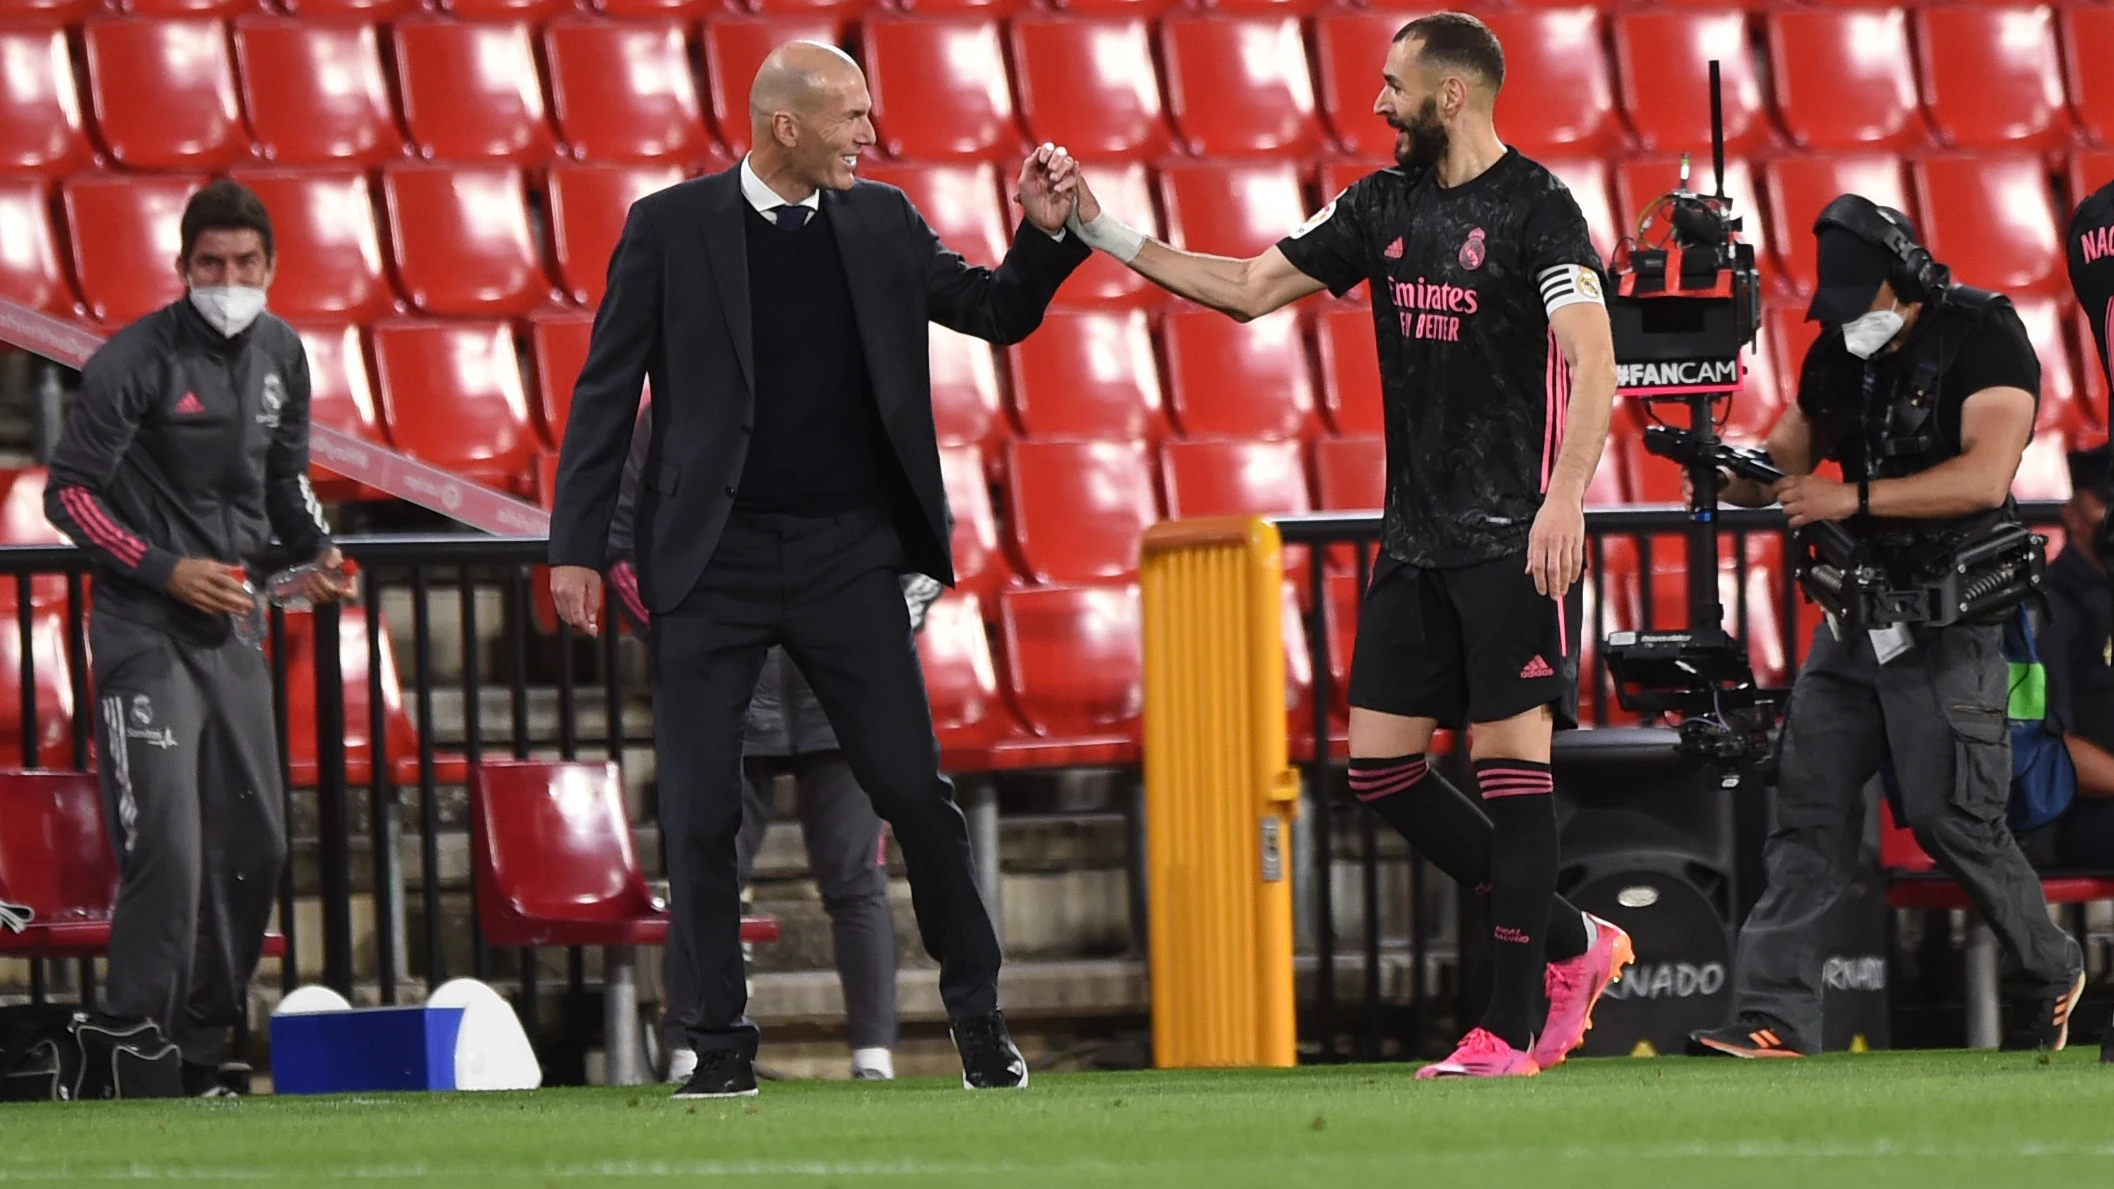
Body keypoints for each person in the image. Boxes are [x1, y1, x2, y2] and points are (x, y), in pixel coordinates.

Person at [1053, 12, 1633, 1078]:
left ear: (1449, 94)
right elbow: (1241, 289)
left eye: (1392, 84)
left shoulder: (1539, 209)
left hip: (1513, 537)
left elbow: (1590, 359)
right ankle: (1572, 941)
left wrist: (1564, 500)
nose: (1375, 102)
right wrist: (1097, 227)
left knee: (1510, 770)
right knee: (1379, 772)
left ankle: (1506, 1031)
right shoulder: (1379, 205)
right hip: (1413, 537)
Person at [545, 41, 1088, 1098]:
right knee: (699, 811)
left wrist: (1041, 235)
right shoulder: (668, 228)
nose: (868, 135)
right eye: (849, 117)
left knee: (915, 796)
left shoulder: (881, 221)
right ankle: (715, 1044)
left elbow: (994, 311)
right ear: (783, 126)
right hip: (713, 559)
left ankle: (978, 1021)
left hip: (848, 555)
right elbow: (605, 391)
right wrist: (573, 546)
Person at [1689, 195, 2085, 1057]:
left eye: (1859, 304)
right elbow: (1781, 462)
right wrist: (1712, 459)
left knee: (1951, 817)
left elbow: (1983, 478)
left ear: (1905, 281)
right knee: (1809, 809)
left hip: (1953, 611)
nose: (1846, 324)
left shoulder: (1987, 335)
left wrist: (1850, 497)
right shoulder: (1838, 350)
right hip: (1856, 611)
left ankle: (2049, 961)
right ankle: (1775, 1015)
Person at [42, 179, 353, 1096]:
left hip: (236, 629)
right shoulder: (131, 359)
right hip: (144, 630)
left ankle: (204, 1051)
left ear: (271, 268)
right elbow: (70, 494)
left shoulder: (283, 353)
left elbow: (288, 483)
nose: (228, 277)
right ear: (181, 268)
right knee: (169, 851)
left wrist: (318, 552)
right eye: (210, 263)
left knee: (256, 843)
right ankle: (134, 1052)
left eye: (244, 264)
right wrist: (161, 567)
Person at [605, 405, 915, 1084]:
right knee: (706, 874)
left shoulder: (858, 401)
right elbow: (622, 544)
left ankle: (874, 1058)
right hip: (724, 693)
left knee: (857, 878)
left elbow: (922, 536)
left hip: (839, 696)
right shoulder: (668, 420)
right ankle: (689, 1050)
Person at [2029, 440, 2114, 870]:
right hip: (2080, 818)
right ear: (2072, 511)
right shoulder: (2050, 608)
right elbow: (2047, 744)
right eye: (2107, 502)